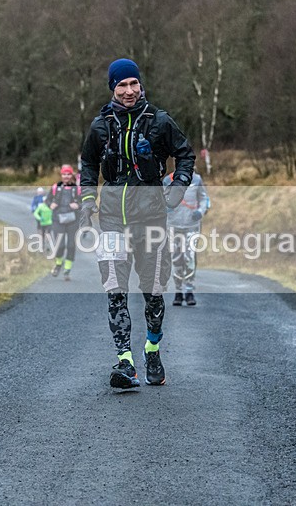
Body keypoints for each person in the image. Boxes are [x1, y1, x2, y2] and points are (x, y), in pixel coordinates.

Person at [80, 58, 195, 389]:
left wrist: (177, 188)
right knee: (115, 290)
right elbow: (88, 163)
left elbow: (185, 155)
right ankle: (125, 361)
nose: (129, 91)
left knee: (154, 292)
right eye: (122, 85)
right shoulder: (100, 126)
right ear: (112, 88)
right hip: (113, 219)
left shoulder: (159, 121)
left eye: (134, 84)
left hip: (151, 219)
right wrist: (88, 201)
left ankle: (152, 350)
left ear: (140, 85)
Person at [163, 170, 210, 307]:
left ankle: (189, 290)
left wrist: (200, 212)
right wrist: (166, 208)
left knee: (189, 257)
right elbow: (160, 199)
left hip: (192, 225)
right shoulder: (168, 180)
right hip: (173, 225)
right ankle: (178, 291)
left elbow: (203, 199)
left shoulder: (196, 179)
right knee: (176, 259)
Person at [46, 165, 81, 281]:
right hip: (58, 220)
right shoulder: (56, 187)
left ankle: (67, 270)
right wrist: (50, 205)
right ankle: (58, 263)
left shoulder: (77, 189)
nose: (66, 176)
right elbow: (47, 200)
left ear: (71, 175)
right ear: (61, 175)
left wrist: (78, 205)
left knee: (71, 246)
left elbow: (84, 203)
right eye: (64, 174)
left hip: (73, 221)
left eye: (68, 174)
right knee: (59, 245)